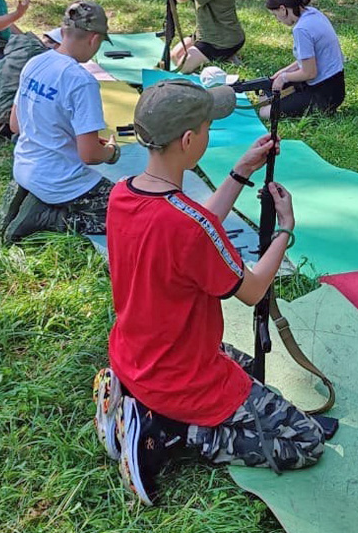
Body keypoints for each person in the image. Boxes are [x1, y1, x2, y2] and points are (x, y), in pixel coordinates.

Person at [93, 80, 326, 504]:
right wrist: (285, 231)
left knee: (241, 364)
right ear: (188, 140)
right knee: (306, 440)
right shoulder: (190, 226)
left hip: (137, 356)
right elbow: (253, 290)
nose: (207, 133)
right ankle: (171, 432)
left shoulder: (123, 193)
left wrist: (241, 171)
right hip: (183, 378)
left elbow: (196, 228)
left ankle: (134, 397)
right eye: (206, 128)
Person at [0, 2, 120, 242]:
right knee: (127, 212)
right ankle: (48, 218)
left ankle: (32, 197)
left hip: (24, 167)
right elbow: (90, 155)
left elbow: (16, 125)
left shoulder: (35, 62)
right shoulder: (81, 81)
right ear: (94, 39)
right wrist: (111, 152)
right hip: (60, 181)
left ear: (62, 32)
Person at [262, 0, 346, 119]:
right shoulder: (313, 13)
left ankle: (320, 108)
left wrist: (284, 77)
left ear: (283, 9)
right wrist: (283, 72)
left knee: (265, 112)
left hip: (324, 94)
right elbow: (310, 59)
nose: (277, 19)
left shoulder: (301, 29)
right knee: (266, 94)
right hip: (336, 85)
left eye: (275, 15)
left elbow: (310, 73)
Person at [0, 28, 60, 138]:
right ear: (57, 46)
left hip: (1, 108)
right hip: (9, 114)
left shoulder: (24, 47)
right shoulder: (39, 56)